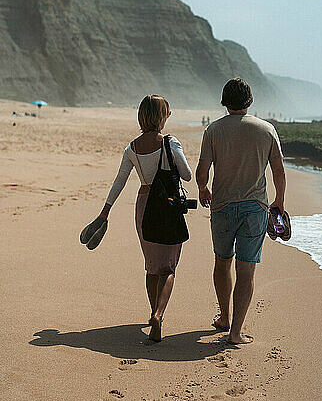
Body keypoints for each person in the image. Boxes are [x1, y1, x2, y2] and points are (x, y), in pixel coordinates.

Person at [196, 78, 286, 345]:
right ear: (250, 101)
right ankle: (235, 332)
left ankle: (224, 316)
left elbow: (203, 169)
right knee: (246, 270)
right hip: (255, 208)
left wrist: (203, 189)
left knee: (222, 262)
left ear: (224, 101)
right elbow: (278, 170)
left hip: (222, 206)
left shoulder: (213, 130)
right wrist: (279, 201)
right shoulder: (266, 129)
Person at [97, 95, 192, 342]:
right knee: (168, 268)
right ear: (162, 116)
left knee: (152, 267)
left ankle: (152, 312)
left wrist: (105, 210)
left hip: (143, 205)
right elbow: (187, 175)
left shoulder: (132, 147)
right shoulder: (171, 143)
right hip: (167, 206)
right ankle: (159, 314)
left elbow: (120, 180)